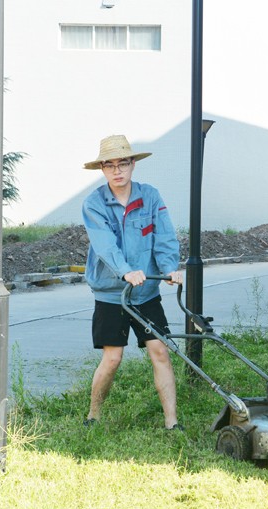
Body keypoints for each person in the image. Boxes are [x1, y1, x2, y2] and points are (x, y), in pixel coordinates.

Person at [81, 134, 184, 431]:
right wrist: (125, 271)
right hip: (111, 294)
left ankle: (172, 422)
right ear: (102, 169)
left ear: (133, 165)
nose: (117, 171)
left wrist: (169, 269)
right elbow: (105, 245)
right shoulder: (94, 203)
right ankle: (93, 415)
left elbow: (164, 236)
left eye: (123, 163)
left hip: (146, 292)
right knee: (113, 357)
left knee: (160, 351)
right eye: (110, 165)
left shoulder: (150, 196)